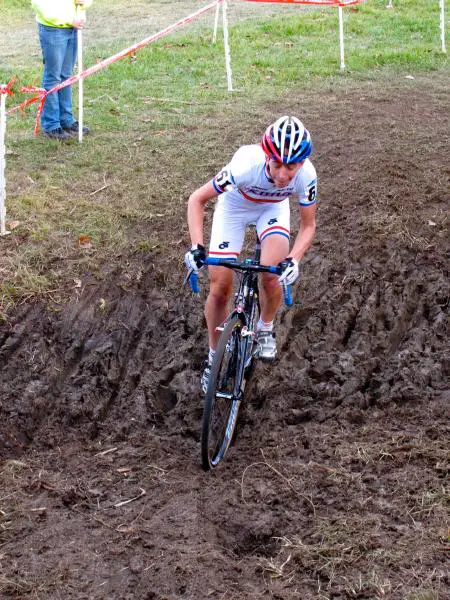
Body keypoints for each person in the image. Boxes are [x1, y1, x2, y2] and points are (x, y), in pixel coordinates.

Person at [185, 115, 318, 392]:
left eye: (291, 166)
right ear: (266, 156)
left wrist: (294, 260)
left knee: (272, 274)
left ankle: (265, 327)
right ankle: (214, 356)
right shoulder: (245, 166)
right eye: (277, 164)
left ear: (301, 163)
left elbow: (308, 226)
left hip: (272, 210)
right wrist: (197, 246)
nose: (283, 174)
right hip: (233, 209)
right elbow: (197, 199)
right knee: (220, 287)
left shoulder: (307, 177)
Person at [31, 0, 93, 140]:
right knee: (53, 77)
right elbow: (40, 5)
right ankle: (51, 125)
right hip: (53, 29)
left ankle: (66, 120)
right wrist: (69, 19)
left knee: (67, 76)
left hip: (73, 28)